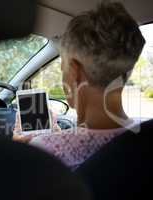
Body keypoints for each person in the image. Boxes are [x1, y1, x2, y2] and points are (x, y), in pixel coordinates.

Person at [13, 2, 145, 170]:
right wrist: (60, 135)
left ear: (75, 72)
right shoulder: (146, 135)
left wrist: (19, 148)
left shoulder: (43, 151)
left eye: (63, 69)